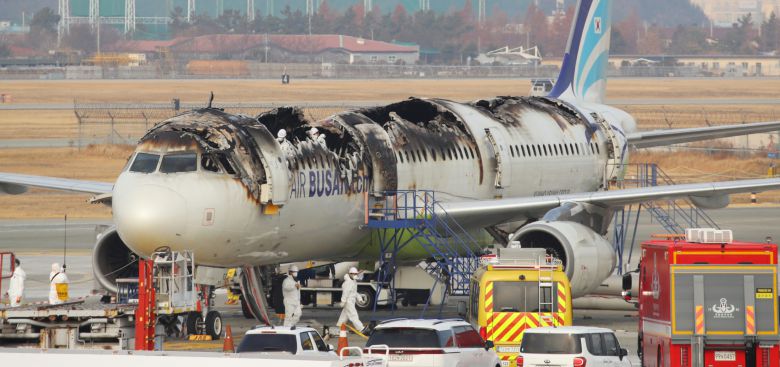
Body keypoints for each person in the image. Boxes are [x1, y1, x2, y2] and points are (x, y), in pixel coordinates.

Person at [337, 267, 364, 333]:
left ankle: (340, 326)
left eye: (356, 274)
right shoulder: (348, 282)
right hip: (348, 302)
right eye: (354, 274)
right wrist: (343, 301)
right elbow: (345, 293)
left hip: (351, 301)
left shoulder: (353, 281)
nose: (355, 275)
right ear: (350, 274)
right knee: (353, 315)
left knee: (344, 315)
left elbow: (354, 292)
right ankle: (361, 328)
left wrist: (359, 298)